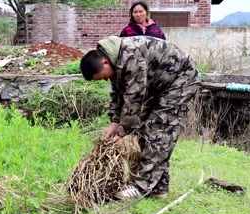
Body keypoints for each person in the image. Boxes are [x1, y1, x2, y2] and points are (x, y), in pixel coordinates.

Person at [80, 35, 200, 200]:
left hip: (181, 80)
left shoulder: (131, 57)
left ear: (104, 62)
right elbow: (118, 92)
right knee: (145, 130)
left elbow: (134, 99)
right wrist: (115, 121)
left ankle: (141, 187)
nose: (107, 79)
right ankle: (159, 187)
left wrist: (123, 132)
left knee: (159, 130)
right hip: (159, 85)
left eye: (104, 76)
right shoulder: (114, 59)